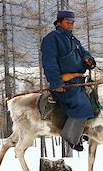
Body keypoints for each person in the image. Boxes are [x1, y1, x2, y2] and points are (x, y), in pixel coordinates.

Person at [41, 10, 96, 151]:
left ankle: (82, 130)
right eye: (68, 22)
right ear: (59, 22)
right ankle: (71, 137)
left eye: (72, 22)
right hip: (65, 84)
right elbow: (49, 62)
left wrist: (88, 59)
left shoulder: (73, 39)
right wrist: (56, 83)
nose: (71, 25)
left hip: (79, 81)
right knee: (82, 105)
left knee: (95, 103)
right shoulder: (51, 38)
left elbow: (84, 52)